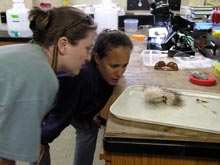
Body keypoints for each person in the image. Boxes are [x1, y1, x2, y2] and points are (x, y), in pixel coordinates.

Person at [0, 6, 97, 165]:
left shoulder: (28, 54)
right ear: (63, 44)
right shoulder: (42, 76)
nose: (88, 57)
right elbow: (4, 154)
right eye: (87, 48)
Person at [37, 29, 133, 165]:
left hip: (70, 99)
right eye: (115, 66)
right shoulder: (79, 77)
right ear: (97, 58)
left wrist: (89, 114)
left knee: (89, 129)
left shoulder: (105, 72)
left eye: (125, 65)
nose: (120, 72)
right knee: (38, 144)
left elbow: (95, 96)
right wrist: (43, 140)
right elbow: (61, 115)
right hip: (38, 97)